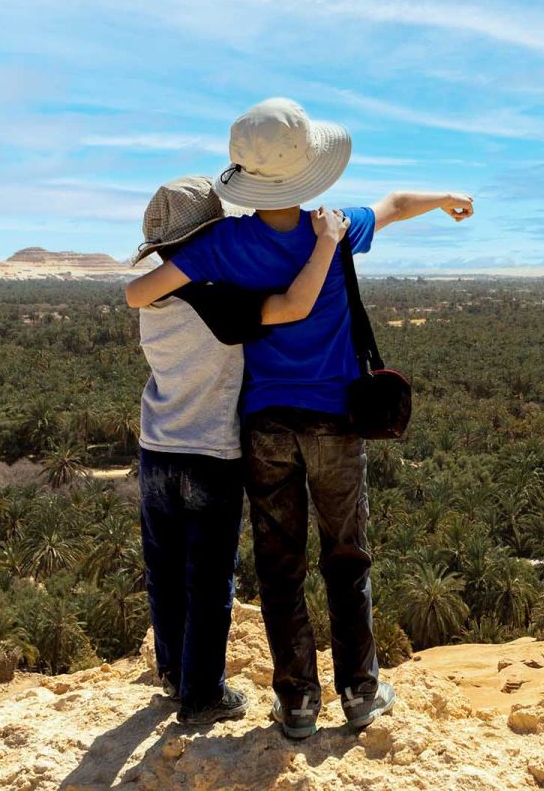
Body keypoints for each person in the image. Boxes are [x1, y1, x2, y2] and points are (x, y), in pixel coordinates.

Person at [126, 97, 474, 738]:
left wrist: (220, 296)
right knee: (347, 557)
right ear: (310, 167)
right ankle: (361, 692)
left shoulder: (223, 243)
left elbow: (139, 289)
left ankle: (296, 703)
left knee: (280, 564)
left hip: (265, 426)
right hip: (336, 422)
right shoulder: (334, 228)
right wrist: (447, 196)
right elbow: (395, 203)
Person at [127, 175, 349, 727]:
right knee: (209, 579)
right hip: (211, 454)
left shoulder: (151, 302)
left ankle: (173, 675)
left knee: (164, 571)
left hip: (156, 449)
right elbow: (296, 305)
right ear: (211, 237)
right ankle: (201, 695)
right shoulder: (221, 302)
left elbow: (135, 290)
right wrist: (326, 240)